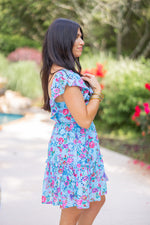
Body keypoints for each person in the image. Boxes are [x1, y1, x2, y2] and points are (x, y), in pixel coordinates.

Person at [40, 18, 108, 225]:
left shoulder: (57, 72)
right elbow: (85, 120)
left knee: (95, 199)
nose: (81, 42)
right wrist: (97, 92)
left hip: (75, 145)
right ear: (62, 40)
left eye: (81, 37)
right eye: (76, 37)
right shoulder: (67, 78)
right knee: (75, 206)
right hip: (73, 148)